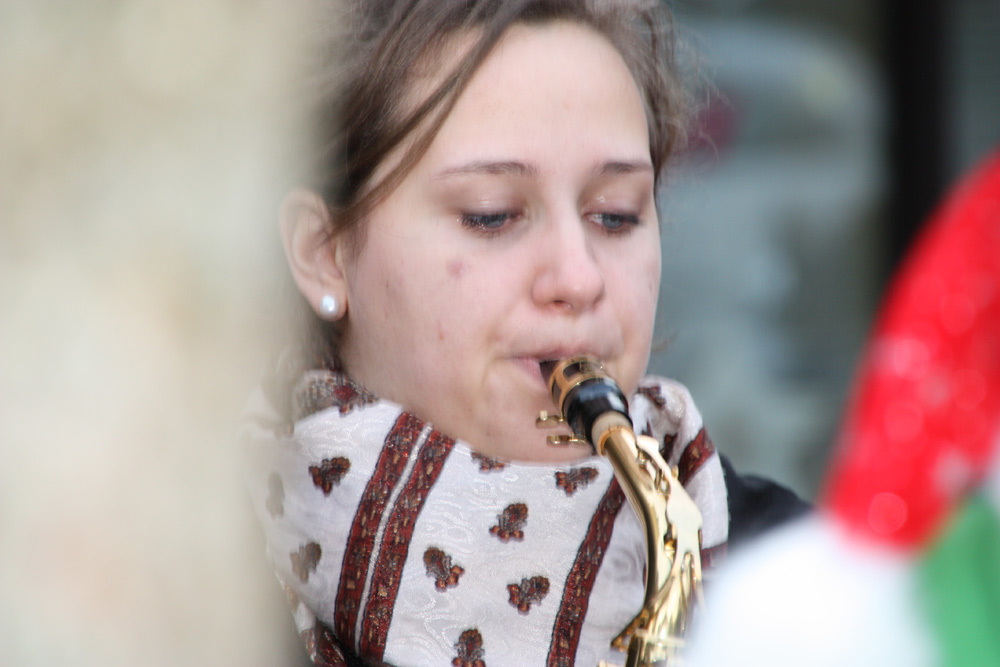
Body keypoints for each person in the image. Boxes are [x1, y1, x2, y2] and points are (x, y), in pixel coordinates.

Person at [244, 1, 808, 665]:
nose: (579, 277)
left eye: (615, 215)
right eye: (492, 215)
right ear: (324, 251)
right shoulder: (180, 588)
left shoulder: (804, 584)